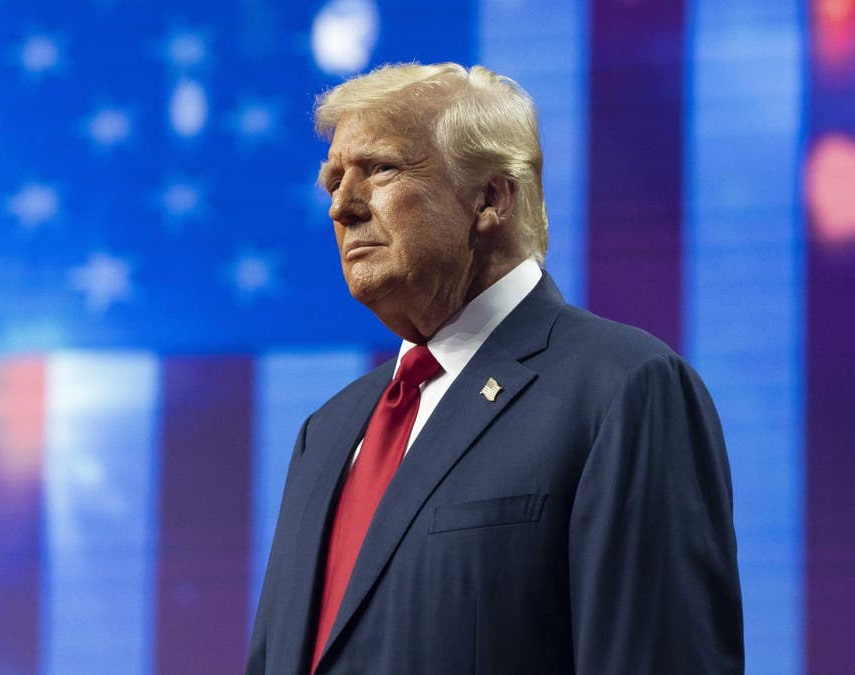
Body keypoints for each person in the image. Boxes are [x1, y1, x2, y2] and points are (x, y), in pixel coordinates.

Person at [247, 62, 743, 675]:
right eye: (333, 182)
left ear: (490, 197)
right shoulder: (324, 434)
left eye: (379, 169)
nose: (342, 208)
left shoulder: (622, 390)